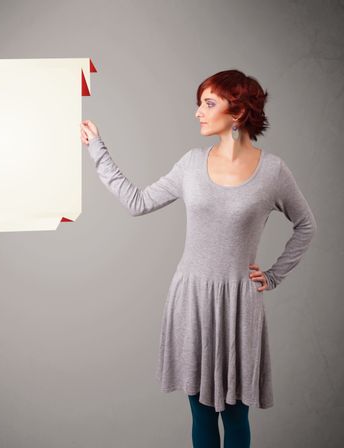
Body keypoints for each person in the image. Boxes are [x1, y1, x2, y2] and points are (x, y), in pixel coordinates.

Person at [80, 69, 317, 448]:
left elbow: (306, 226)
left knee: (237, 414)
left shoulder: (273, 171)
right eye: (199, 103)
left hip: (240, 303)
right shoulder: (191, 164)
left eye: (209, 103)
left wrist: (273, 276)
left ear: (237, 113)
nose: (198, 112)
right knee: (201, 413)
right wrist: (98, 149)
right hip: (191, 300)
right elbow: (137, 202)